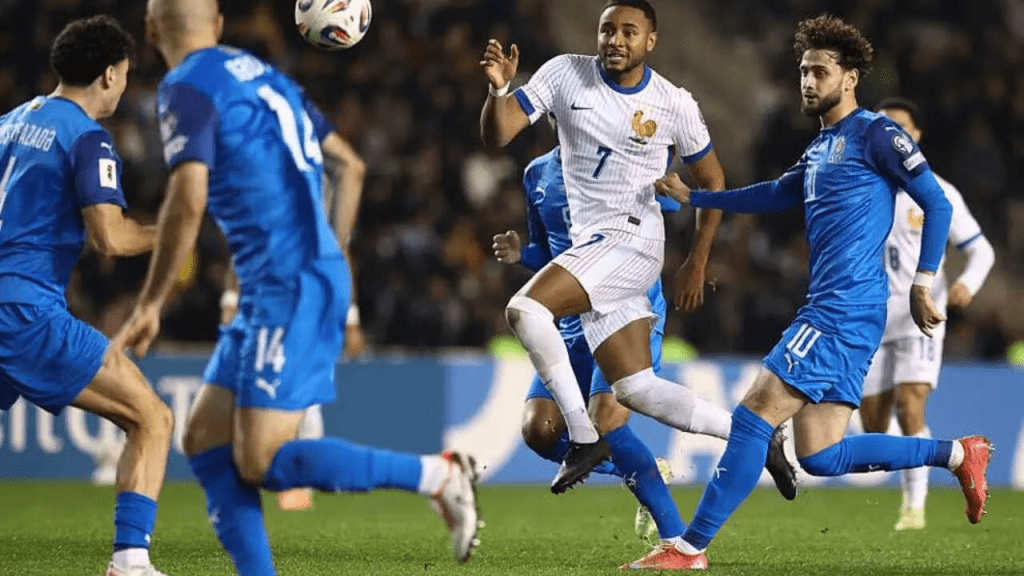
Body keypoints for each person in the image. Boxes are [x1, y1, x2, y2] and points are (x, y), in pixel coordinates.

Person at [113, 1, 481, 574]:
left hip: (284, 284)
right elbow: (350, 168)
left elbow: (188, 200)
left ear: (151, 28)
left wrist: (151, 302)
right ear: (217, 26)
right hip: (291, 278)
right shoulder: (267, 78)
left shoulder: (185, 87)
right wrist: (328, 253)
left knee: (262, 460)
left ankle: (438, 474)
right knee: (205, 440)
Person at [652, 15, 991, 569]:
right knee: (821, 455)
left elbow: (938, 202)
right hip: (845, 312)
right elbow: (772, 195)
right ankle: (957, 454)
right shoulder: (822, 146)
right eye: (803, 71)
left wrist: (923, 282)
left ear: (850, 77)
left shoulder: (876, 133)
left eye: (819, 71)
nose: (807, 81)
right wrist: (696, 200)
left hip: (843, 308)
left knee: (755, 414)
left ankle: (690, 547)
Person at [480, 1, 753, 513]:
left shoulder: (671, 102)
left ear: (650, 41)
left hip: (629, 257)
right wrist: (499, 88)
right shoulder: (547, 141)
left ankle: (589, 442)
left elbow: (712, 180)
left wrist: (696, 262)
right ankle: (750, 438)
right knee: (620, 398)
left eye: (629, 31)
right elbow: (498, 134)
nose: (615, 40)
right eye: (607, 30)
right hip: (579, 285)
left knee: (531, 318)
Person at [492, 144, 796, 548]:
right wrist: (524, 255)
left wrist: (668, 189)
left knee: (609, 419)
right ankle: (651, 467)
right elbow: (554, 254)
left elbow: (665, 209)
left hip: (625, 302)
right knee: (539, 430)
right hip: (572, 312)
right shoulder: (536, 173)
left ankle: (674, 539)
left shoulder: (618, 157)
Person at [0, 16, 174, 576]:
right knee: (151, 418)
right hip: (24, 309)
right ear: (107, 75)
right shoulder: (86, 136)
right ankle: (130, 561)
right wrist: (174, 233)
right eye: (124, 75)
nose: (124, 87)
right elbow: (108, 236)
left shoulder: (8, 123)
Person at [860, 97, 995, 531]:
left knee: (909, 405)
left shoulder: (937, 190)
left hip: (922, 316)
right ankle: (923, 469)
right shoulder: (862, 187)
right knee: (873, 427)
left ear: (915, 137)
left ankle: (913, 509)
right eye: (884, 127)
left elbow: (981, 250)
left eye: (900, 127)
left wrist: (965, 285)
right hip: (870, 321)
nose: (892, 134)